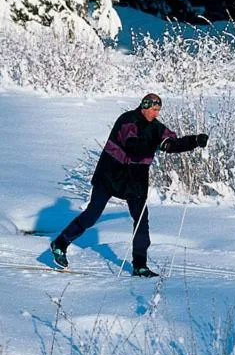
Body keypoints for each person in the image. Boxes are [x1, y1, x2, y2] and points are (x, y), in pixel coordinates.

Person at [49, 93, 208, 277]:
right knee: (92, 215)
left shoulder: (156, 127)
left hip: (135, 180)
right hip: (110, 175)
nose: (156, 114)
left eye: (158, 111)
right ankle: (60, 244)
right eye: (154, 110)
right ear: (145, 106)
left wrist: (194, 141)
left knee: (141, 220)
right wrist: (155, 143)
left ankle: (139, 266)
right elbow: (134, 146)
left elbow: (171, 144)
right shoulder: (127, 121)